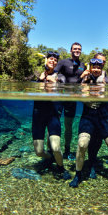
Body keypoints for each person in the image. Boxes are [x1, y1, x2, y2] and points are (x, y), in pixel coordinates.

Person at [69, 58, 108, 187]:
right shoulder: (84, 81)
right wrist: (81, 78)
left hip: (103, 118)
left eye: (99, 67)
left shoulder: (107, 81)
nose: (96, 70)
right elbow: (72, 90)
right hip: (88, 117)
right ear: (90, 68)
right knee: (82, 143)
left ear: (102, 68)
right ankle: (78, 174)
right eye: (94, 67)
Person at [32, 52, 71, 180]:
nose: (53, 61)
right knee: (39, 152)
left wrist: (50, 79)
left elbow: (61, 85)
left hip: (53, 115)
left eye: (55, 60)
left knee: (55, 147)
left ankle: (61, 167)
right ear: (46, 61)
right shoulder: (39, 75)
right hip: (38, 115)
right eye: (50, 59)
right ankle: (50, 158)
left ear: (57, 63)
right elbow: (33, 89)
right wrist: (41, 79)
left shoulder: (61, 77)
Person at [55, 42, 86, 159]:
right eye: (75, 49)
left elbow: (83, 80)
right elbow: (54, 73)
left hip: (72, 99)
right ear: (70, 50)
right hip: (60, 97)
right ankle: (52, 149)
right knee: (55, 123)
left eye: (79, 49)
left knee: (68, 125)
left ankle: (67, 150)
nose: (77, 50)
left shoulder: (83, 65)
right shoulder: (63, 62)